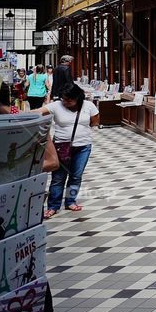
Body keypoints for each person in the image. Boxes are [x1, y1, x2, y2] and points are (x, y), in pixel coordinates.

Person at [34, 83, 100, 218]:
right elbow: (36, 112)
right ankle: (53, 206)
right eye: (63, 99)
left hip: (83, 146)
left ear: (78, 98)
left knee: (76, 176)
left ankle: (70, 201)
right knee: (58, 177)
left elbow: (95, 122)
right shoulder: (56, 105)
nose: (65, 102)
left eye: (69, 100)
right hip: (61, 146)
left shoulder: (89, 106)